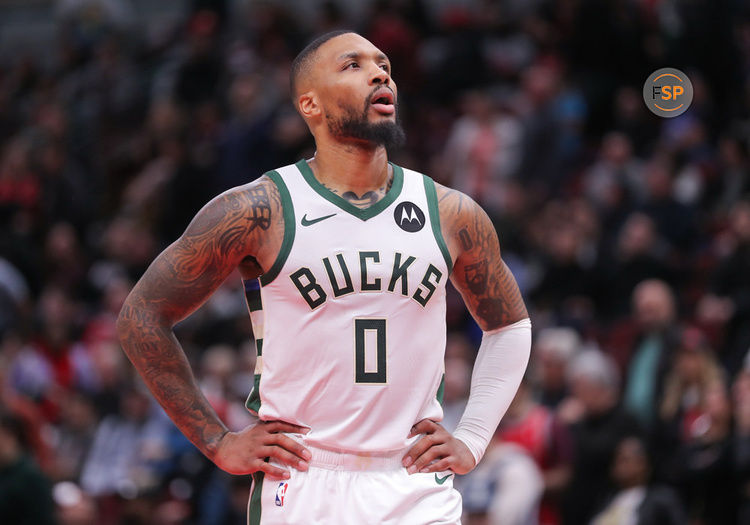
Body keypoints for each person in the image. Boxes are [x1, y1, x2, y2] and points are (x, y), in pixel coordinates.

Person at [116, 30, 531, 525]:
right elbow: (141, 316)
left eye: (384, 65)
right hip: (305, 479)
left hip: (414, 481)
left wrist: (474, 435)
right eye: (352, 65)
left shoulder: (450, 212)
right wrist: (217, 440)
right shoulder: (258, 209)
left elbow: (509, 326)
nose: (381, 74)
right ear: (309, 104)